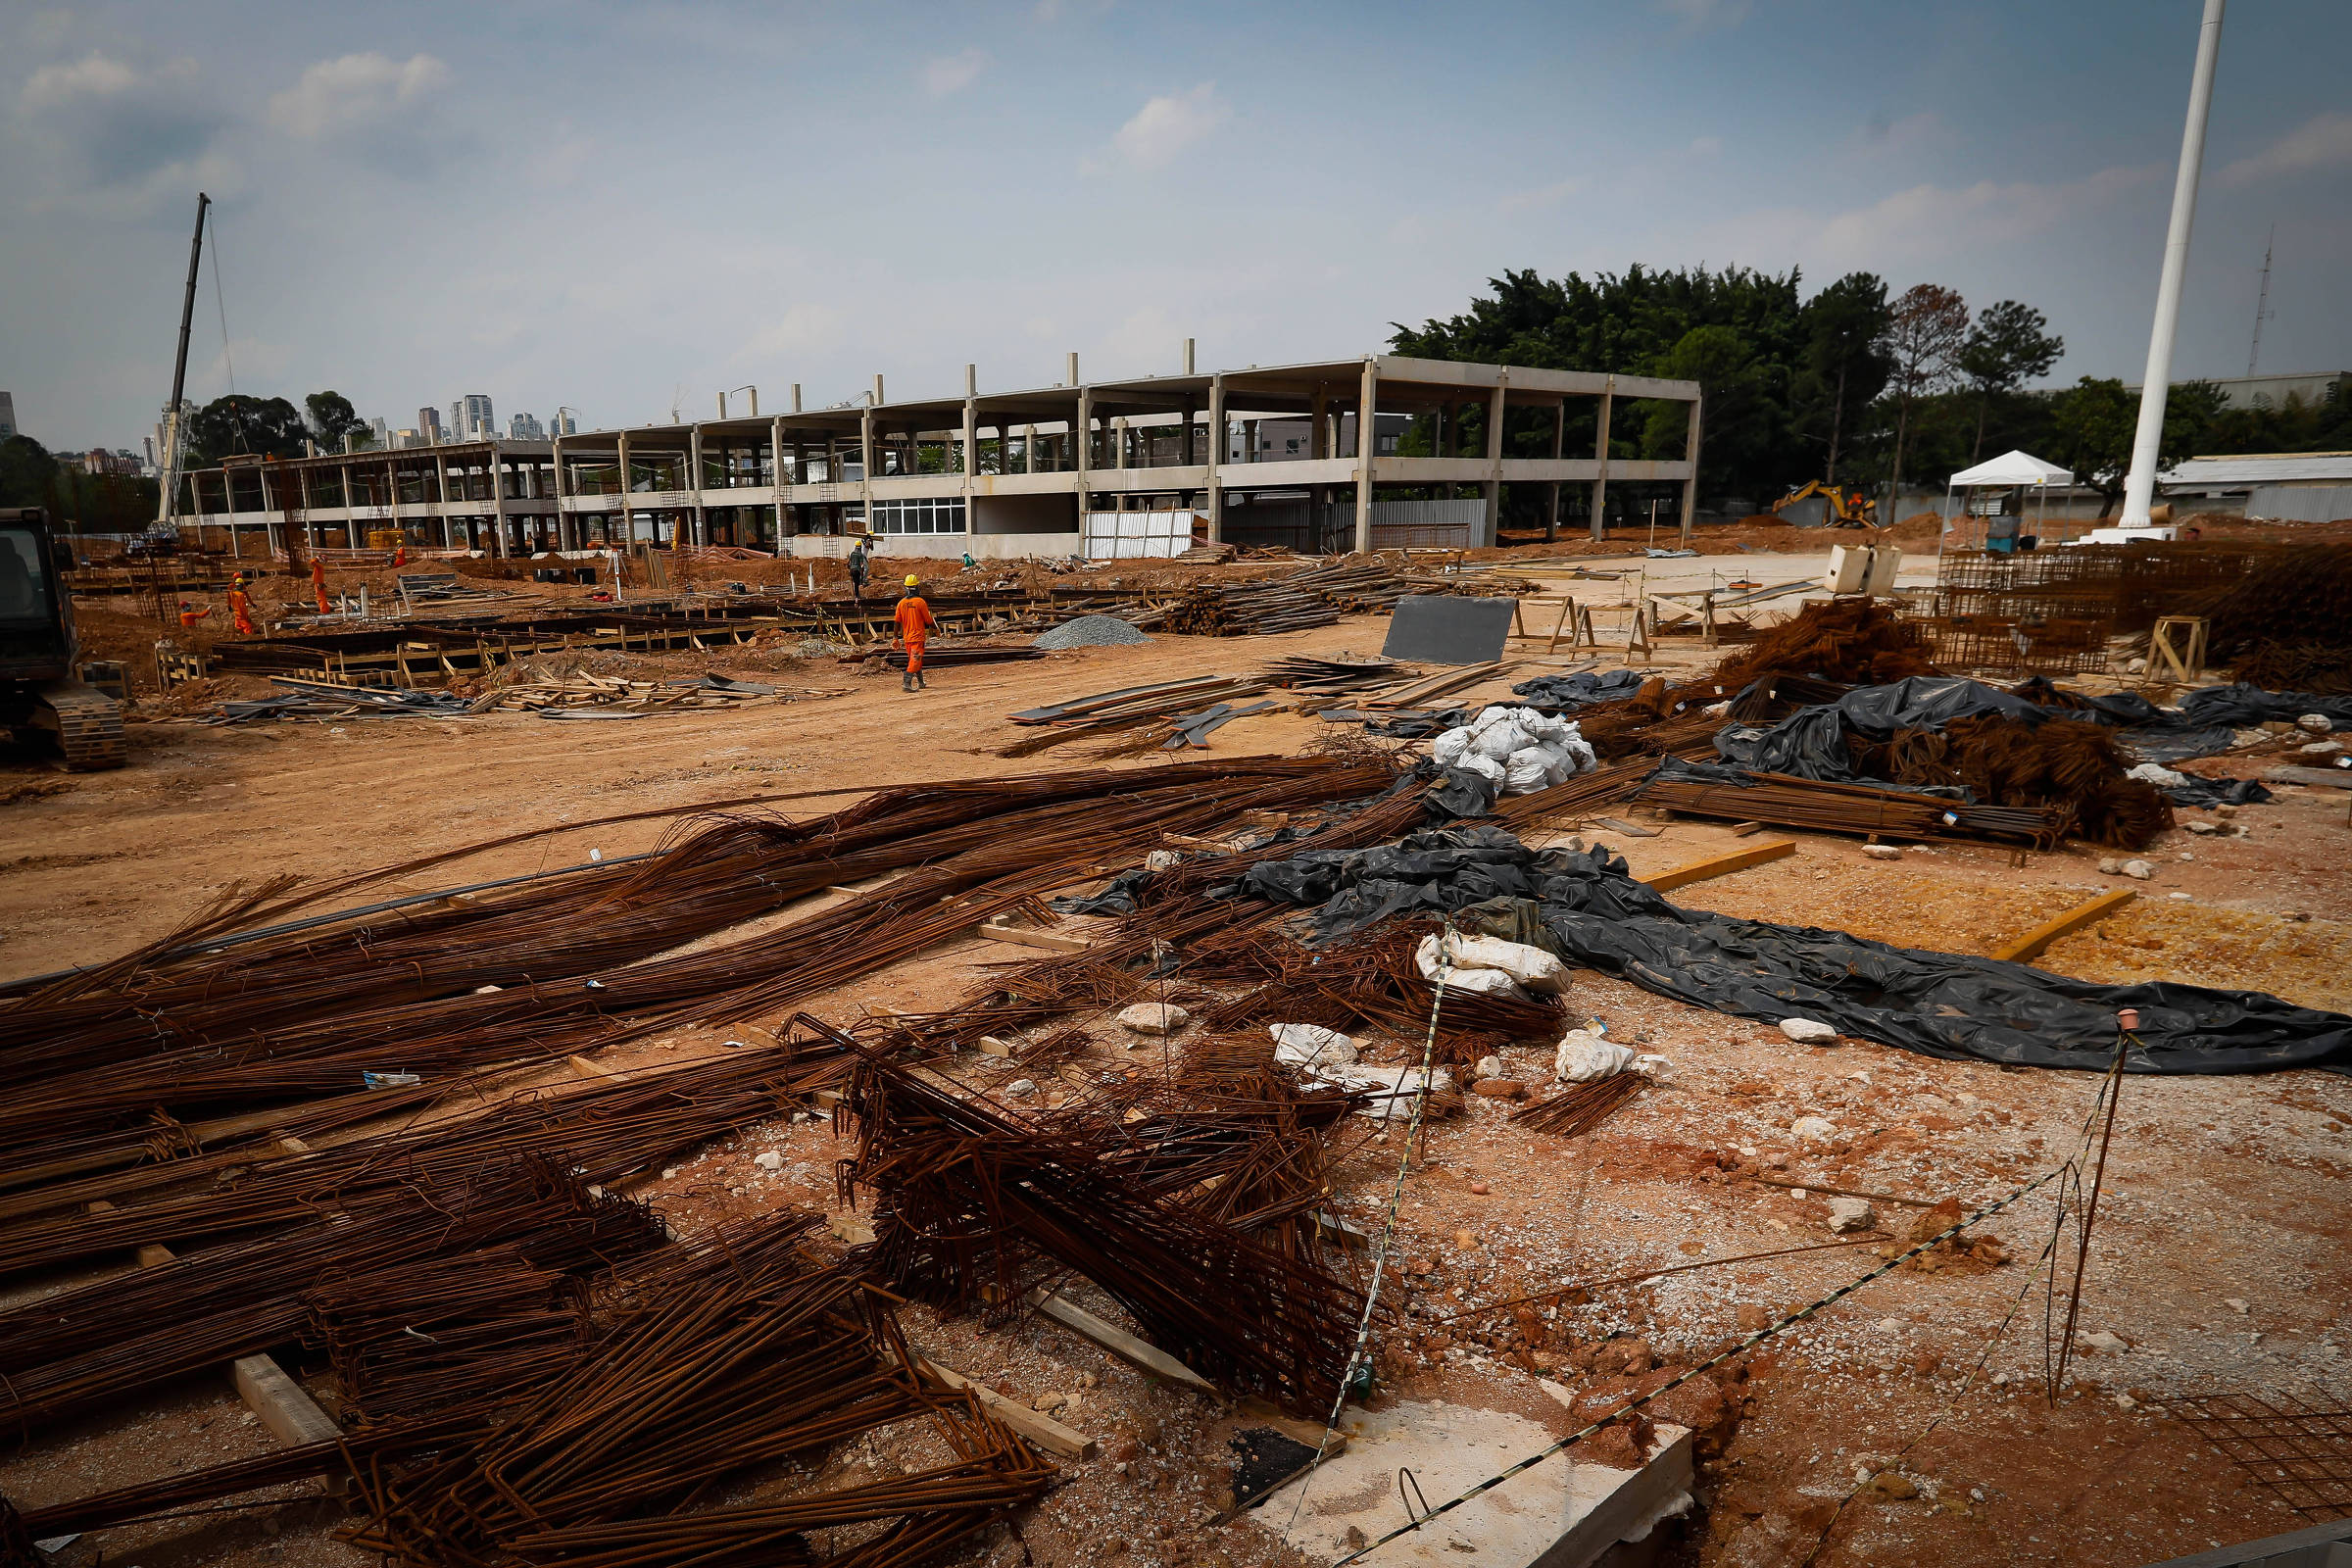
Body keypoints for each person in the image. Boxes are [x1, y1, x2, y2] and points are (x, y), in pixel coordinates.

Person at [894, 574, 936, 693]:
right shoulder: (920, 602)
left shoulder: (901, 603)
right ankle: (906, 683)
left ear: (906, 588)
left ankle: (921, 682)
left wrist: (895, 638)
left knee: (915, 660)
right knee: (915, 660)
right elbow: (928, 620)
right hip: (917, 638)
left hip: (907, 639)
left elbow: (897, 622)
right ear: (916, 587)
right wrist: (936, 629)